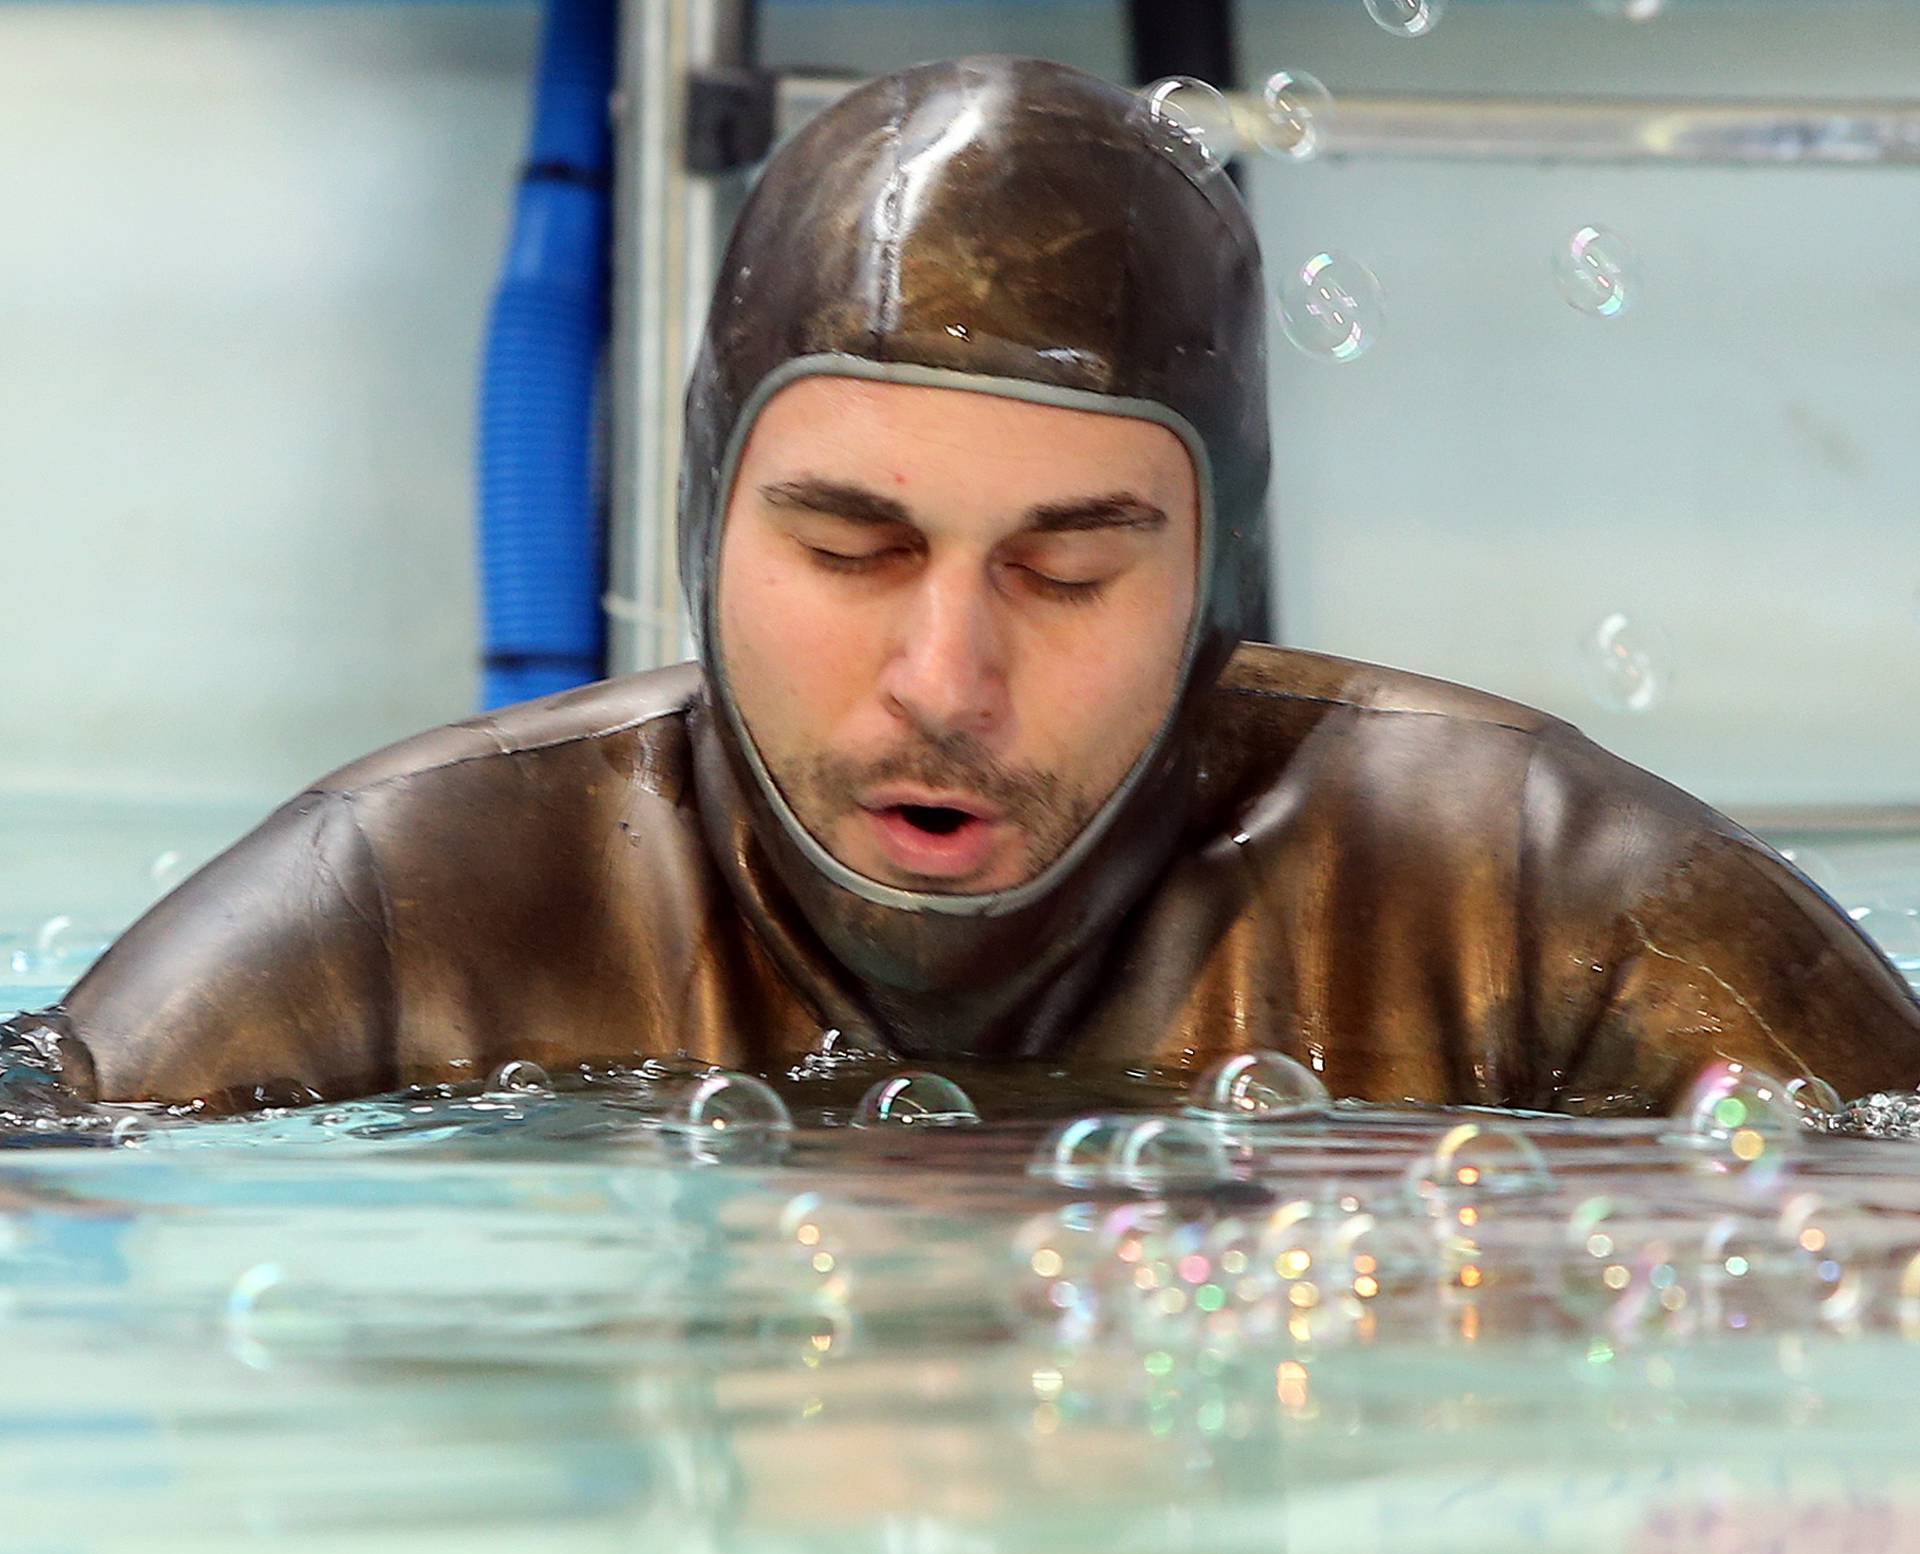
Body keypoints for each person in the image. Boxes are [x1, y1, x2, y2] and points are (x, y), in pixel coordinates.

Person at [6, 54, 1918, 1120]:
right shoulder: (416, 913)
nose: (947, 676)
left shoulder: (1544, 907)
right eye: (850, 551)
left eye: (1070, 571)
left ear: (1217, 577)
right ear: (706, 526)